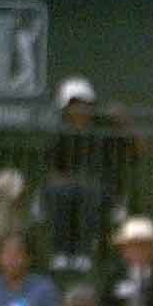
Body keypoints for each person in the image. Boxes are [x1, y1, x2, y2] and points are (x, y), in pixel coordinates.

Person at [43, 76, 127, 272]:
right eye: (74, 104)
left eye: (83, 103)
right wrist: (66, 180)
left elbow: (131, 154)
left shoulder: (105, 128)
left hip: (101, 187)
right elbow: (54, 170)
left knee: (91, 194)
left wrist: (124, 124)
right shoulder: (60, 133)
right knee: (61, 193)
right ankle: (62, 253)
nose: (79, 109)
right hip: (67, 187)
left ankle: (85, 253)